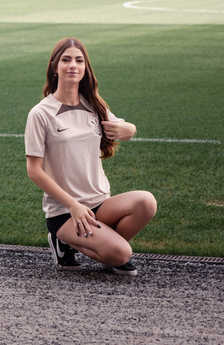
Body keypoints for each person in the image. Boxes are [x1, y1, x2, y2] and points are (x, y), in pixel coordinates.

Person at [25, 37, 157, 275]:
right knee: (122, 253)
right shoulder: (41, 113)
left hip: (100, 203)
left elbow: (124, 130)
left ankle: (92, 245)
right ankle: (65, 240)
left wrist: (130, 129)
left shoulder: (94, 106)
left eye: (79, 60)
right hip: (65, 211)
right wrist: (73, 205)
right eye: (66, 60)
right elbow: (34, 170)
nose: (73, 65)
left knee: (147, 202)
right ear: (54, 67)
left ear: (85, 68)